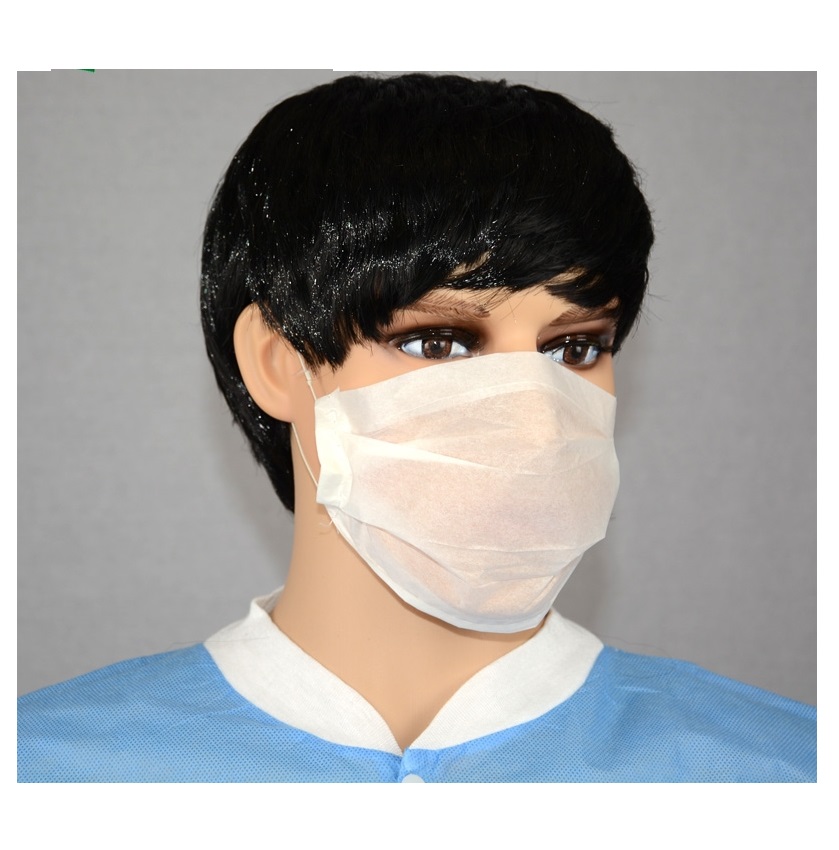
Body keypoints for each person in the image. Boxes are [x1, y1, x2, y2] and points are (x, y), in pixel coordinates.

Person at [18, 73, 816, 782]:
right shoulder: (46, 775)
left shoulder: (779, 771)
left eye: (574, 348)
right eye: (438, 342)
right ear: (277, 362)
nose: (531, 413)